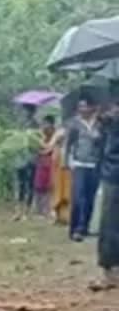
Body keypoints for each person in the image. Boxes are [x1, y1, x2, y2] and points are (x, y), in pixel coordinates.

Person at [66, 98, 102, 241]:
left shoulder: (99, 124)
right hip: (79, 163)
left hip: (94, 164)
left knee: (90, 197)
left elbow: (103, 142)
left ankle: (85, 226)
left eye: (85, 106)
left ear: (91, 108)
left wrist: (98, 138)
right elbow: (69, 144)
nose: (82, 109)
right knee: (78, 197)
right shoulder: (74, 123)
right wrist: (67, 161)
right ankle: (76, 228)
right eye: (80, 106)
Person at [94, 99, 119, 290]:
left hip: (113, 176)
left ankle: (110, 273)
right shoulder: (109, 123)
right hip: (113, 176)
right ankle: (109, 272)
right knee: (110, 224)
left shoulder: (111, 123)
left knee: (110, 223)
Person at [13, 106, 38, 221]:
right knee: (20, 184)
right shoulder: (20, 124)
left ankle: (27, 212)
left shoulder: (35, 125)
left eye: (27, 110)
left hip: (31, 158)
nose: (25, 112)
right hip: (20, 158)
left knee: (29, 185)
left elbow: (37, 142)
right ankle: (18, 211)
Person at [33, 115, 57, 218]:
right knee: (39, 186)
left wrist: (44, 148)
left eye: (46, 123)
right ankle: (39, 210)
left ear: (51, 124)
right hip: (41, 162)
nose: (45, 125)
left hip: (51, 161)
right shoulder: (39, 133)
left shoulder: (55, 133)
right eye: (44, 123)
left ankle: (48, 209)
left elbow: (51, 147)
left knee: (49, 186)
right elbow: (38, 147)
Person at [51, 125, 72, 226]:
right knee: (58, 194)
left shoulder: (69, 150)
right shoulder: (57, 150)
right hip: (58, 174)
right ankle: (58, 217)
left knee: (66, 195)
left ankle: (65, 218)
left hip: (67, 173)